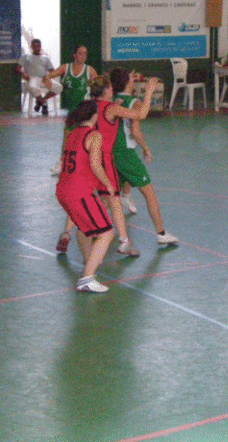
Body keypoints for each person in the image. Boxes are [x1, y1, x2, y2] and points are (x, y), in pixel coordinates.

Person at [56, 73, 159, 257]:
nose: (113, 89)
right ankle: (124, 242)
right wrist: (149, 92)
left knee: (83, 197)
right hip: (102, 159)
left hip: (83, 158)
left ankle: (66, 233)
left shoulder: (88, 106)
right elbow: (141, 114)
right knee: (114, 199)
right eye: (110, 87)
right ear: (105, 91)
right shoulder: (110, 108)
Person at [109, 67, 179, 245]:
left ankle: (91, 229)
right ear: (127, 82)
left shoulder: (111, 100)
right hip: (125, 153)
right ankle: (161, 234)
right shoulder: (133, 102)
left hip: (110, 152)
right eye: (131, 78)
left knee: (106, 197)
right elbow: (135, 128)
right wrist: (148, 93)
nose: (134, 80)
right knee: (149, 193)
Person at [55, 100, 115, 293]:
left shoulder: (72, 133)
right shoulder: (94, 135)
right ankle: (87, 278)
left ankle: (90, 265)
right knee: (107, 233)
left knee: (84, 229)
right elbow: (96, 166)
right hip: (78, 192)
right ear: (94, 116)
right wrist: (108, 183)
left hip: (62, 191)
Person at [49, 45, 98, 175]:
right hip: (72, 110)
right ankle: (62, 162)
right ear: (74, 55)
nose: (83, 56)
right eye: (80, 53)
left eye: (85, 53)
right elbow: (50, 75)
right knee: (68, 135)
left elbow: (99, 86)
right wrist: (49, 82)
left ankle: (92, 165)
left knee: (88, 137)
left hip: (86, 109)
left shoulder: (90, 70)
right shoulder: (66, 68)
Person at [17, 39, 63, 116]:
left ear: (40, 46)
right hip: (32, 79)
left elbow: (52, 71)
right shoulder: (26, 56)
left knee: (59, 87)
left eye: (38, 46)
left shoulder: (45, 58)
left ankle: (41, 101)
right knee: (32, 87)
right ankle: (44, 104)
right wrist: (23, 74)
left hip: (45, 79)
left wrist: (48, 76)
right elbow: (18, 68)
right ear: (31, 47)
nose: (36, 48)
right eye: (34, 46)